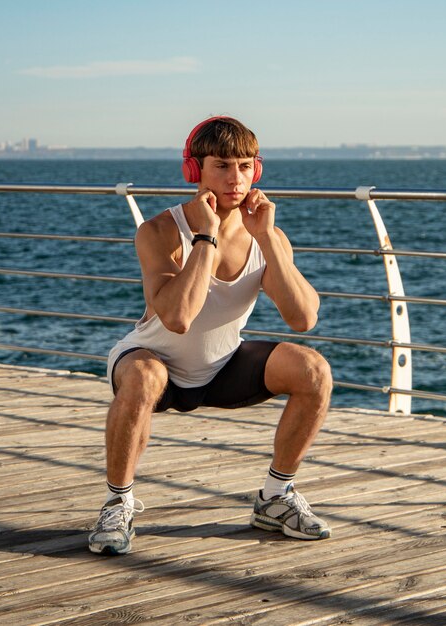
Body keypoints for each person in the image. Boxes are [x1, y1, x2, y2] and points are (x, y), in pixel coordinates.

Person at [89, 116, 333, 556]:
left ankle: (275, 498)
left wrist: (270, 241)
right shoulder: (160, 231)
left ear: (255, 171)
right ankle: (118, 503)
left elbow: (303, 318)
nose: (235, 179)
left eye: (244, 166)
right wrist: (206, 236)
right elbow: (178, 317)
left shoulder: (266, 235)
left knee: (313, 370)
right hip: (152, 360)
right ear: (194, 170)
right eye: (221, 165)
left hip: (222, 365)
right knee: (143, 376)